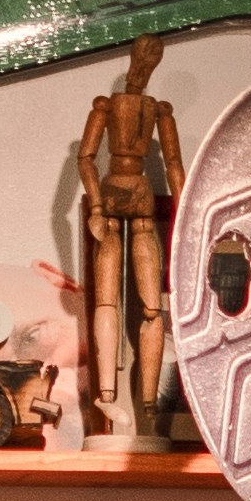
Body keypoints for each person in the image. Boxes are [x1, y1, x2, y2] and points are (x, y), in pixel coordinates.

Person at [75, 33, 183, 439]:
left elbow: (174, 164)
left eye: (151, 59)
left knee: (151, 306)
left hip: (139, 199)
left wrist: (183, 211)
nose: (144, 66)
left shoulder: (159, 110)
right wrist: (96, 207)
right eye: (142, 57)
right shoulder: (106, 106)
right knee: (107, 300)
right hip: (112, 197)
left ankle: (149, 402)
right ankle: (107, 394)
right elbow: (86, 158)